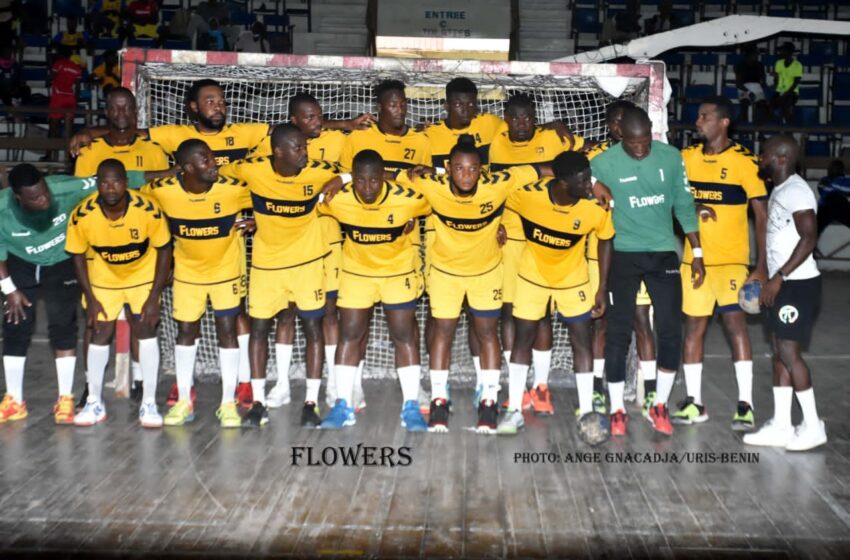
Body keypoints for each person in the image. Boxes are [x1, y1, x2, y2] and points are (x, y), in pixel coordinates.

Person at [398, 135, 542, 433]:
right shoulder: (431, 185)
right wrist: (344, 177)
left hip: (486, 272)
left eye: (473, 169)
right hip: (444, 274)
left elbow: (544, 169)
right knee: (442, 332)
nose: (466, 175)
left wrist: (593, 180)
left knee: (488, 333)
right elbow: (384, 176)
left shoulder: (497, 184)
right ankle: (439, 398)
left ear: (482, 170)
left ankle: (488, 400)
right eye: (460, 168)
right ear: (449, 168)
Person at [590, 106, 704, 437]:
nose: (640, 149)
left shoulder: (670, 157)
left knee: (671, 331)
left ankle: (659, 405)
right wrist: (594, 183)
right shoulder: (603, 162)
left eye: (645, 142)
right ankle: (616, 409)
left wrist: (696, 252)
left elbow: (683, 204)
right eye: (633, 144)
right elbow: (571, 173)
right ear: (619, 135)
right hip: (623, 256)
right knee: (618, 333)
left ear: (651, 132)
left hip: (663, 255)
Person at [221, 124, 339, 428]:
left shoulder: (319, 171)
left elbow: (368, 173)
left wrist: (343, 178)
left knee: (313, 328)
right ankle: (259, 402)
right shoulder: (252, 169)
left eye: (305, 147)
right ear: (278, 152)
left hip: (308, 265)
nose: (305, 153)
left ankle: (311, 402)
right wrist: (249, 216)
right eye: (298, 148)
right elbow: (216, 178)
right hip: (266, 267)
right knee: (260, 329)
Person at [499, 151, 614, 440]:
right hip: (532, 277)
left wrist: (601, 287)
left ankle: (587, 410)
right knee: (523, 338)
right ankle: (514, 408)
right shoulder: (527, 196)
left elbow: (605, 240)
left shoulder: (594, 207)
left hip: (572, 280)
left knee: (582, 341)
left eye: (590, 177)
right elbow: (493, 197)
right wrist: (498, 226)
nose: (589, 184)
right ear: (562, 181)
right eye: (584, 179)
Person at [142, 140, 254, 428]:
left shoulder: (232, 188)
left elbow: (269, 200)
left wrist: (257, 220)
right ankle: (183, 401)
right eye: (205, 160)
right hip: (187, 275)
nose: (213, 163)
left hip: (225, 272)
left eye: (212, 158)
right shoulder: (162, 191)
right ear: (188, 167)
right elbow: (134, 194)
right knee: (185, 332)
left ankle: (228, 403)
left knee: (227, 330)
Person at [318, 149, 430, 432]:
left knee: (404, 336)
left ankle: (412, 406)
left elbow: (435, 193)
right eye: (360, 180)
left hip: (397, 274)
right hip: (357, 275)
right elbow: (316, 197)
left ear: (384, 178)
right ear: (352, 178)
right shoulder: (338, 199)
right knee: (349, 334)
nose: (367, 188)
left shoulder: (408, 199)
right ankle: (343, 404)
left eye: (374, 180)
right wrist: (341, 178)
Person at [489, 93, 585, 416]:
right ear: (505, 118)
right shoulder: (494, 139)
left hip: (543, 238)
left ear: (535, 117)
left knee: (542, 314)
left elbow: (581, 160)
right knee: (508, 312)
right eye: (514, 118)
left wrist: (552, 125)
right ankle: (513, 383)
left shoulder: (553, 138)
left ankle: (540, 387)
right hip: (506, 237)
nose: (520, 124)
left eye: (527, 118)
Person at [675, 96, 768, 431]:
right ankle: (694, 402)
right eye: (698, 117)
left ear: (724, 122)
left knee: (735, 328)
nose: (697, 122)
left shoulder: (745, 161)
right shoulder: (686, 159)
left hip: (731, 263)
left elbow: (761, 214)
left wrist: (761, 266)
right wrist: (693, 209)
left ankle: (746, 405)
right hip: (694, 262)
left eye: (705, 117)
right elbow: (674, 202)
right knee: (694, 330)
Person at [74, 87, 169, 405]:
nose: (121, 114)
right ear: (106, 112)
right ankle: (91, 385)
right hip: (100, 254)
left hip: (141, 252)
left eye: (126, 108)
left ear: (135, 111)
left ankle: (142, 382)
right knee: (97, 322)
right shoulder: (89, 151)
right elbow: (81, 200)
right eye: (114, 109)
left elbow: (158, 203)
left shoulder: (153, 149)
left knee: (142, 318)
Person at [258, 92, 353, 411]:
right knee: (285, 313)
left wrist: (343, 177)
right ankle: (282, 384)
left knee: (328, 312)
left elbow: (363, 174)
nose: (318, 122)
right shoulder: (270, 146)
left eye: (320, 116)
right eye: (311, 117)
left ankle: (333, 384)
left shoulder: (339, 140)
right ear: (293, 122)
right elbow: (254, 184)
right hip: (290, 248)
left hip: (329, 242)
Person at [65, 159, 172, 427]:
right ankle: (94, 402)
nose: (110, 187)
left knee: (145, 329)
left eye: (115, 181)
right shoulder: (82, 214)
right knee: (100, 331)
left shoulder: (148, 209)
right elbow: (77, 256)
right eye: (103, 182)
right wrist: (89, 298)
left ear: (126, 182)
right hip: (104, 277)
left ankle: (148, 403)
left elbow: (165, 250)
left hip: (141, 276)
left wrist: (153, 297)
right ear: (97, 184)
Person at [744, 135, 825, 451]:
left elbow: (809, 238)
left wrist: (779, 277)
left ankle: (812, 424)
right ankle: (781, 424)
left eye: (763, 154)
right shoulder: (780, 188)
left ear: (779, 157)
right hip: (784, 283)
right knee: (779, 350)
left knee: (789, 353)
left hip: (799, 285)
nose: (759, 158)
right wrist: (767, 273)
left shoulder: (797, 190)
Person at [585, 99, 656, 418]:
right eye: (613, 122)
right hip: (598, 251)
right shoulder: (594, 156)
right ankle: (598, 388)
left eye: (623, 121)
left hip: (636, 250)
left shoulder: (650, 157)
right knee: (600, 323)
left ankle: (651, 390)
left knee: (641, 320)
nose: (617, 126)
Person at [47, 45, 83, 161]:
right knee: (69, 130)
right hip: (70, 98)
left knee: (53, 128)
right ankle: (70, 157)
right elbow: (77, 88)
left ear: (60, 54)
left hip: (58, 97)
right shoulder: (76, 68)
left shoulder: (58, 64)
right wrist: (75, 101)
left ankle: (49, 156)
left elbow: (50, 78)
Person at [734, 46, 768, 124]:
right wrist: (749, 92)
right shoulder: (740, 65)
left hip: (757, 88)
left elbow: (763, 82)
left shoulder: (760, 65)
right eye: (754, 54)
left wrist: (764, 92)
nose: (756, 56)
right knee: (744, 103)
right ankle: (744, 128)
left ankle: (760, 132)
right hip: (744, 88)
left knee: (762, 105)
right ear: (748, 55)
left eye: (757, 55)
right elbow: (738, 84)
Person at [816, 159, 850, 237]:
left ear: (841, 170)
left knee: (838, 200)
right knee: (813, 229)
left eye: (836, 168)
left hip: (842, 208)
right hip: (827, 207)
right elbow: (823, 188)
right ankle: (809, 246)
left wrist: (835, 187)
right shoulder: (824, 181)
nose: (833, 170)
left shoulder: (844, 181)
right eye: (832, 168)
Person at [771, 42, 802, 125]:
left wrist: (784, 95)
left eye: (783, 50)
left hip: (792, 93)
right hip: (779, 92)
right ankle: (778, 128)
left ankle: (789, 130)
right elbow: (777, 79)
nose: (780, 52)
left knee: (786, 104)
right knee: (768, 107)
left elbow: (795, 83)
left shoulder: (797, 65)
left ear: (789, 52)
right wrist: (775, 84)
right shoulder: (778, 63)